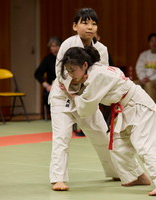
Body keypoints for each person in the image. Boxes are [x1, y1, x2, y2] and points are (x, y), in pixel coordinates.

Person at [59, 46, 156, 196]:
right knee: (117, 145)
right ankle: (138, 176)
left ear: (85, 65)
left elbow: (87, 107)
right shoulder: (95, 72)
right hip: (126, 108)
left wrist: (72, 95)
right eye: (68, 70)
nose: (71, 74)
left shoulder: (97, 76)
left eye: (72, 70)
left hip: (139, 106)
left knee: (144, 145)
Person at [48, 8, 118, 191]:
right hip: (62, 97)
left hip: (86, 98)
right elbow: (61, 72)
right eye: (85, 23)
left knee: (102, 135)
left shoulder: (101, 50)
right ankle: (58, 178)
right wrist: (72, 91)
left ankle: (116, 171)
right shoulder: (68, 44)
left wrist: (85, 95)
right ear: (74, 26)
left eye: (94, 24)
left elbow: (100, 77)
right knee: (62, 137)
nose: (90, 27)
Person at [34, 36, 62, 117]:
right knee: (47, 94)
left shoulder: (64, 57)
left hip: (63, 84)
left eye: (56, 46)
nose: (54, 48)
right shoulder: (47, 59)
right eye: (52, 46)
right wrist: (46, 85)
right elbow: (38, 73)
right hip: (52, 85)